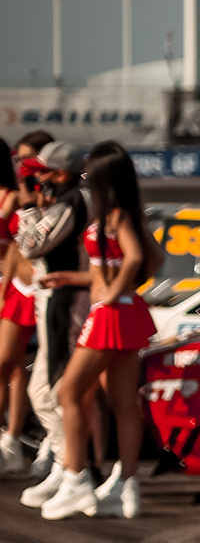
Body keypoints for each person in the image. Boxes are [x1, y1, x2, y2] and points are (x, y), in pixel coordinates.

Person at [41, 143, 161, 520]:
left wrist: (114, 289)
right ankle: (128, 486)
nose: (85, 176)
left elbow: (140, 259)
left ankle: (75, 478)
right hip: (124, 312)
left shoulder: (116, 215)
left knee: (69, 391)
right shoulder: (126, 213)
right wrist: (75, 278)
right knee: (124, 403)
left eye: (90, 172)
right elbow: (150, 258)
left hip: (109, 314)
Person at [15, 140, 90, 509]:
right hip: (52, 302)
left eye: (41, 171)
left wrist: (28, 207)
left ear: (61, 174)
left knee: (51, 390)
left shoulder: (72, 202)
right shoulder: (65, 201)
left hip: (66, 305)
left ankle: (73, 470)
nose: (35, 177)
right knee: (42, 392)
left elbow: (29, 245)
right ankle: (65, 464)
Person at [0, 150, 46, 474]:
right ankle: (10, 441)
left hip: (24, 285)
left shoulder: (19, 196)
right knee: (10, 366)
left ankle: (12, 439)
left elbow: (19, 245)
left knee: (9, 365)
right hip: (12, 285)